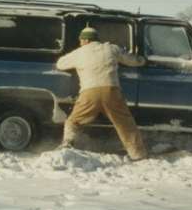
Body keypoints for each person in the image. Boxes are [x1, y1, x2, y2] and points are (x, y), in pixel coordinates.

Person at [56, 26, 147, 160]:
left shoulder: (78, 53)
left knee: (73, 121)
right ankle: (138, 154)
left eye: (81, 40)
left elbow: (60, 64)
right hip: (111, 91)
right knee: (125, 123)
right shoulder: (111, 48)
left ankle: (67, 144)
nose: (80, 42)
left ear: (86, 40)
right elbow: (134, 61)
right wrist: (143, 60)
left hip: (89, 93)